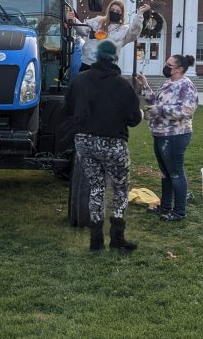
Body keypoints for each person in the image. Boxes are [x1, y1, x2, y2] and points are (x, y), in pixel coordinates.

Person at [64, 41, 143, 252]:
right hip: (113, 143)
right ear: (114, 58)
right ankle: (117, 239)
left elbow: (68, 108)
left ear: (97, 57)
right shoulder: (123, 85)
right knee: (119, 189)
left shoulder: (79, 81)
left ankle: (96, 241)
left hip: (84, 142)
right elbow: (134, 119)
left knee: (96, 188)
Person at [135, 54, 199, 222]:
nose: (165, 66)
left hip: (176, 135)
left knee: (176, 173)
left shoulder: (186, 86)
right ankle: (165, 206)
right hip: (160, 133)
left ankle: (179, 212)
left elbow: (187, 110)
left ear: (179, 69)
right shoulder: (168, 83)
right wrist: (145, 85)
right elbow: (155, 101)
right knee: (166, 173)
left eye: (169, 65)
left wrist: (161, 110)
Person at [67, 0, 151, 72]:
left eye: (118, 12)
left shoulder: (124, 29)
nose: (114, 12)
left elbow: (135, 31)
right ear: (108, 11)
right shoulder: (97, 21)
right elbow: (83, 29)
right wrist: (73, 19)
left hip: (108, 68)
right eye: (112, 10)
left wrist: (140, 13)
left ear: (121, 14)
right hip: (88, 64)